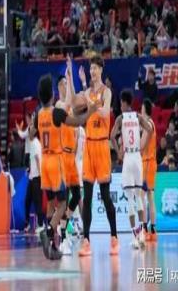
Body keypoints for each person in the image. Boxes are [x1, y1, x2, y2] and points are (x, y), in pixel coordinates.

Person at [32, 73, 98, 260]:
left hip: (44, 162)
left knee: (51, 203)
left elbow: (30, 133)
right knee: (62, 204)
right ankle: (49, 231)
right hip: (56, 160)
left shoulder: (38, 114)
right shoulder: (57, 112)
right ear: (52, 94)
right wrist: (90, 111)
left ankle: (53, 245)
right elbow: (77, 121)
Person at [78, 55, 119, 257]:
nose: (92, 71)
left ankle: (114, 237)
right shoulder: (87, 92)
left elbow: (104, 113)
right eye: (91, 68)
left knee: (105, 196)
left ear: (101, 70)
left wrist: (92, 104)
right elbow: (81, 111)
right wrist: (81, 86)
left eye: (95, 68)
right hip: (89, 146)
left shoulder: (106, 92)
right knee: (87, 198)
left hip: (102, 146)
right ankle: (86, 240)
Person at [110, 91, 153, 250]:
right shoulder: (138, 117)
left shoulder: (120, 118)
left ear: (124, 102)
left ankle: (135, 236)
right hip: (137, 157)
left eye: (120, 103)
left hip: (128, 157)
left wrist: (118, 152)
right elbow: (150, 130)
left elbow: (111, 136)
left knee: (130, 199)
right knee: (139, 197)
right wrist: (143, 146)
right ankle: (142, 234)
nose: (120, 106)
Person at [55, 56, 83, 255]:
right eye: (64, 84)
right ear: (59, 87)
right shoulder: (58, 105)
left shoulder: (69, 105)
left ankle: (64, 225)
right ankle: (63, 237)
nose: (66, 86)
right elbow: (67, 101)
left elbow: (72, 99)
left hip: (72, 157)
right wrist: (68, 77)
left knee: (77, 196)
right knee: (65, 198)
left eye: (66, 84)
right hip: (63, 157)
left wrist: (71, 75)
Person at [140, 100, 157, 242]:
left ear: (145, 110)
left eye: (141, 109)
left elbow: (142, 145)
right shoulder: (152, 124)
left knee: (142, 197)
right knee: (150, 198)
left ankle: (144, 229)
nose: (140, 111)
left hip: (147, 163)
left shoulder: (148, 125)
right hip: (151, 162)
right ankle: (153, 230)